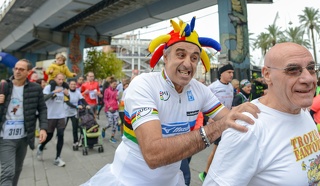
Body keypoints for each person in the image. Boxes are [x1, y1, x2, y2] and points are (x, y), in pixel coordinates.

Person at [82, 17, 259, 186]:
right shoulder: (143, 84)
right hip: (128, 181)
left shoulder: (199, 89)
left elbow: (231, 119)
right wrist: (215, 128)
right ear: (165, 58)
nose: (188, 63)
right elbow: (153, 155)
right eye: (180, 55)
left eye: (194, 57)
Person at [203, 42, 320, 185]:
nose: (309, 79)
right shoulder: (248, 128)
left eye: (311, 69)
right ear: (267, 75)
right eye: (293, 70)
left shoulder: (302, 111)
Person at [0, 59, 48, 186]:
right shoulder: (4, 86)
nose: (17, 71)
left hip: (23, 137)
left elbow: (42, 108)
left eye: (21, 69)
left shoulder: (36, 89)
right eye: (16, 68)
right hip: (5, 137)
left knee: (17, 169)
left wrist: (43, 128)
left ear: (29, 72)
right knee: (8, 172)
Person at [199, 63, 235, 182]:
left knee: (223, 149)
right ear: (222, 74)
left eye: (232, 73)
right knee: (217, 149)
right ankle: (205, 173)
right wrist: (208, 118)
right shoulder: (213, 87)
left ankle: (217, 173)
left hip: (227, 122)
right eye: (229, 72)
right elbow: (202, 103)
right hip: (216, 124)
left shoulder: (230, 87)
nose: (232, 75)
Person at [36, 73, 70, 167]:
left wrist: (67, 94)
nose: (60, 81)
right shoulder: (48, 87)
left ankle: (58, 158)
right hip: (50, 116)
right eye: (59, 79)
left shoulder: (64, 88)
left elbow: (68, 99)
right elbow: (43, 99)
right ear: (55, 78)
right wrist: (53, 92)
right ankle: (41, 147)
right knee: (49, 136)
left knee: (61, 135)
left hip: (61, 115)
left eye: (62, 79)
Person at [64, 79, 84, 149]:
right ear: (69, 85)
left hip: (74, 113)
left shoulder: (78, 92)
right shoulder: (66, 92)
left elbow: (82, 99)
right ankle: (59, 137)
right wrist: (76, 106)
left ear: (76, 85)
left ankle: (75, 141)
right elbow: (68, 103)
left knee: (75, 128)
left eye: (74, 84)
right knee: (62, 128)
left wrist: (87, 105)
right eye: (71, 84)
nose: (73, 85)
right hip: (65, 113)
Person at [101, 78, 120, 143]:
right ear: (110, 84)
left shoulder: (117, 91)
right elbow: (105, 99)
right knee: (110, 123)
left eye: (116, 84)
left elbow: (118, 99)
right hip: (108, 109)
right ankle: (104, 129)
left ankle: (112, 137)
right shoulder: (107, 90)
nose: (115, 85)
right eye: (114, 84)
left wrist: (118, 98)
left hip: (115, 109)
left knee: (115, 124)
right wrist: (108, 106)